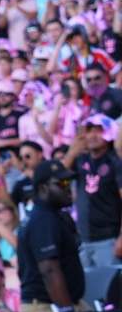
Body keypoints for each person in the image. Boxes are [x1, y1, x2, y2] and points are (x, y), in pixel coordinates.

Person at [17, 160, 89, 312]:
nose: (68, 188)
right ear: (43, 188)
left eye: (69, 182)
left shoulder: (54, 216)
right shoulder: (43, 219)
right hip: (47, 308)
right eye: (62, 183)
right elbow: (49, 269)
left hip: (59, 304)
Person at [61, 114, 122, 267]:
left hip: (109, 240)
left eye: (98, 131)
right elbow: (58, 179)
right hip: (84, 240)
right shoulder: (80, 160)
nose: (92, 136)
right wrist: (72, 151)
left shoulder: (116, 163)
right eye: (89, 130)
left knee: (110, 289)